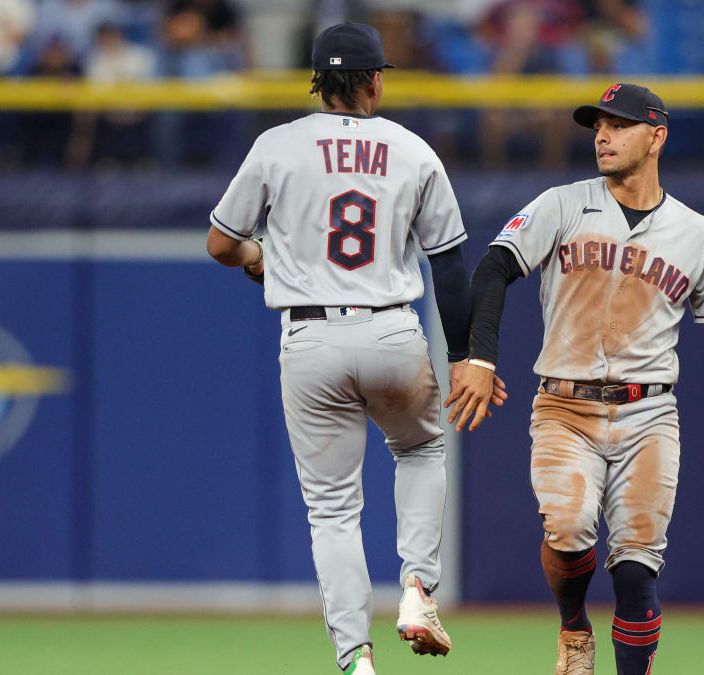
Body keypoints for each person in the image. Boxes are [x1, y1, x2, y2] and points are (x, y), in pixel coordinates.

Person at [445, 83, 704, 675]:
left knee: (637, 567)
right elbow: (493, 268)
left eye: (619, 125)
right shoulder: (562, 205)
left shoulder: (696, 233)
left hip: (649, 413)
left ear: (656, 136)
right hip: (564, 405)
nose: (603, 136)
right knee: (568, 532)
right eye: (597, 126)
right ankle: (573, 627)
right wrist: (481, 358)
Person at [205, 22, 504, 674]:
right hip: (392, 328)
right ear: (375, 80)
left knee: (333, 510)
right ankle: (419, 587)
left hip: (310, 336)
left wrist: (262, 257)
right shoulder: (412, 149)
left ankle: (356, 661)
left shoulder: (277, 145)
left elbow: (221, 243)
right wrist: (466, 357)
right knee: (421, 447)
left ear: (317, 83)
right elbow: (449, 266)